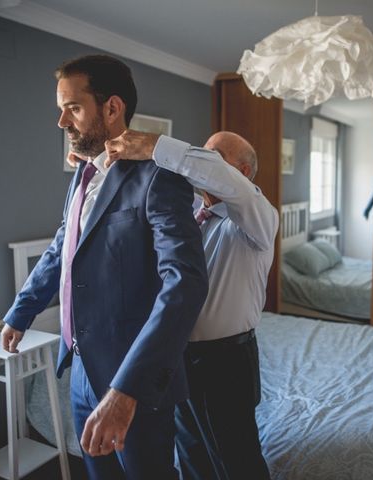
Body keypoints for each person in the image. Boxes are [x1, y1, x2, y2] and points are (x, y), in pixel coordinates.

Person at [0, 54, 209, 479]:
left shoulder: (158, 176)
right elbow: (63, 250)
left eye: (73, 108)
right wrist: (20, 311)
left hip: (135, 379)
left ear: (112, 108)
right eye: (61, 109)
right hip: (80, 371)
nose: (62, 122)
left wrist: (127, 389)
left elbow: (184, 283)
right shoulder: (82, 177)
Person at [104, 129, 278, 480]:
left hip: (226, 361)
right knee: (191, 455)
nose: (201, 161)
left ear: (241, 173)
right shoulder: (187, 216)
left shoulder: (258, 217)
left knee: (236, 461)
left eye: (213, 157)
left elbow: (231, 188)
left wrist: (157, 146)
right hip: (177, 356)